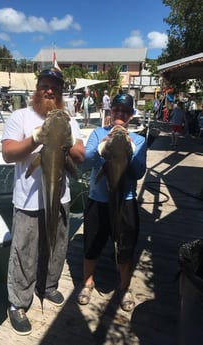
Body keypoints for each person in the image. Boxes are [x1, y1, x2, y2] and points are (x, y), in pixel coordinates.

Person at [1, 65, 85, 335]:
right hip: (27, 202)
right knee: (24, 252)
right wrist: (36, 138)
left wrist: (67, 142)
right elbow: (8, 153)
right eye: (45, 85)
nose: (49, 90)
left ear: (61, 92)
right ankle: (18, 303)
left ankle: (48, 286)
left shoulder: (68, 119)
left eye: (55, 87)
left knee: (57, 245)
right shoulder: (19, 116)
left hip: (61, 198)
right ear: (37, 88)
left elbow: (80, 156)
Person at [77, 93, 147, 312]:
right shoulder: (98, 133)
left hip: (125, 201)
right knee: (92, 244)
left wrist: (130, 151)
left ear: (131, 115)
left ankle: (125, 287)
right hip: (98, 199)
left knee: (126, 245)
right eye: (116, 109)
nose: (120, 114)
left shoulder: (139, 140)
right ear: (110, 111)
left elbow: (138, 172)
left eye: (125, 111)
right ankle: (88, 282)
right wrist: (103, 149)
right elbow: (84, 162)